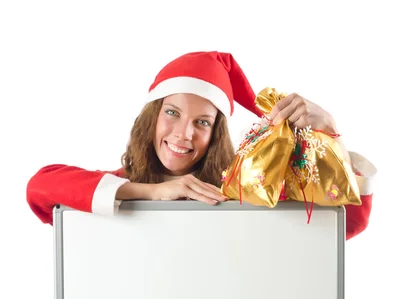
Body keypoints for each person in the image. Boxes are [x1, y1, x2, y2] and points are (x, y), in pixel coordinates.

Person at [26, 51, 376, 240]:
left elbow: (348, 220)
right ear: (152, 116)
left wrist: (329, 132)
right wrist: (151, 193)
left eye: (202, 122)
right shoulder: (120, 187)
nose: (183, 134)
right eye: (173, 113)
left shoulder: (240, 194)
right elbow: (40, 187)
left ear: (216, 134)